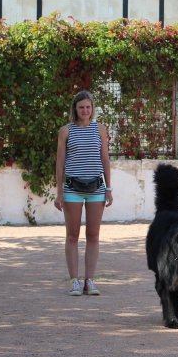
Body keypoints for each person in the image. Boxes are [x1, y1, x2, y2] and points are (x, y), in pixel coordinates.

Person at [55, 90, 113, 296]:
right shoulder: (65, 131)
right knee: (72, 236)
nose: (85, 110)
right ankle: (74, 281)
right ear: (75, 109)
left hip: (96, 188)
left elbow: (105, 159)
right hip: (72, 189)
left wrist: (108, 188)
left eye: (88, 107)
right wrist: (59, 192)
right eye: (81, 107)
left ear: (92, 108)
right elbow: (60, 163)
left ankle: (90, 280)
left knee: (93, 235)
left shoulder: (100, 129)